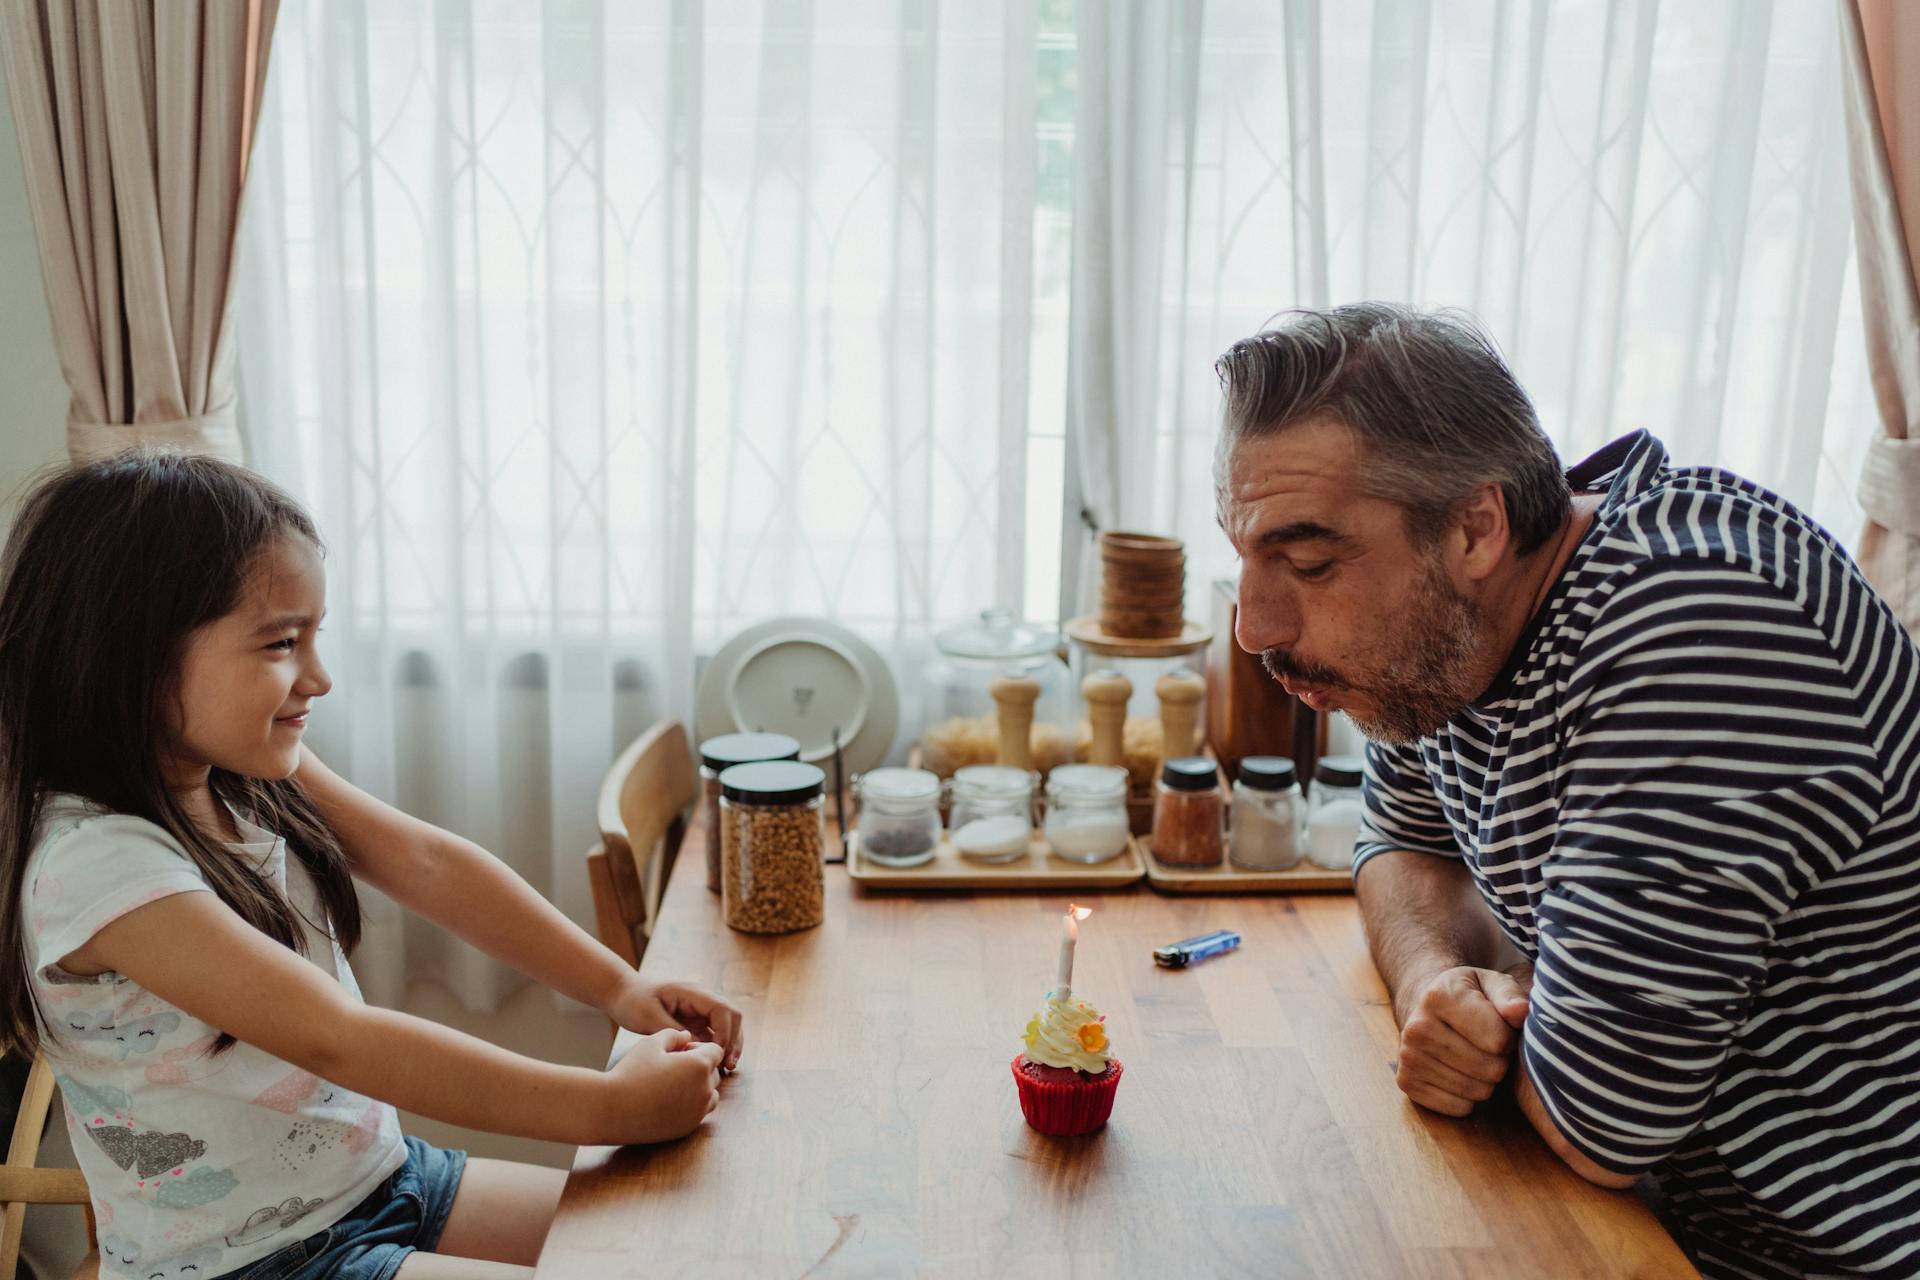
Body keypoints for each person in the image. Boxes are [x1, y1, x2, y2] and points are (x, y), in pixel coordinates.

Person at [1214, 303, 1920, 1279]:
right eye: (1245, 555)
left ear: (1475, 526)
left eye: (1310, 561)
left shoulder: (1698, 636)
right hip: (1646, 1217)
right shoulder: (1451, 634)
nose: (1253, 626)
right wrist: (1434, 978)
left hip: (1804, 1254)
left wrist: (1518, 997)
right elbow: (1395, 840)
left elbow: (1600, 1113)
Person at [0, 452, 744, 1280]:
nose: (317, 677)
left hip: (387, 1181)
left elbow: (424, 861)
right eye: (283, 642)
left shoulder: (245, 769)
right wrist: (610, 1108)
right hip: (253, 1265)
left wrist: (617, 987)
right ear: (134, 653)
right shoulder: (96, 864)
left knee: (683, 1247)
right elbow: (341, 1039)